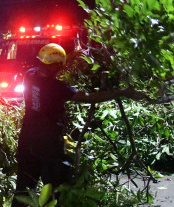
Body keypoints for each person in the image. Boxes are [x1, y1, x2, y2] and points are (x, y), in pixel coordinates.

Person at [15, 43, 146, 196]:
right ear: (56, 65)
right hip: (48, 142)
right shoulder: (58, 87)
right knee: (54, 185)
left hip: (27, 137)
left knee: (24, 184)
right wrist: (121, 92)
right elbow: (88, 97)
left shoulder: (29, 75)